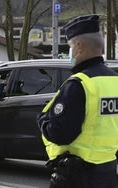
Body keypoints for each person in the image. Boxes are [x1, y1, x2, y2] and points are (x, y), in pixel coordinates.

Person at [37, 14, 118, 188]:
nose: (69, 53)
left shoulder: (79, 84)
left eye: (70, 46)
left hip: (77, 175)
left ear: (79, 46)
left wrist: (43, 119)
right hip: (109, 172)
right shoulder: (115, 80)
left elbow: (60, 133)